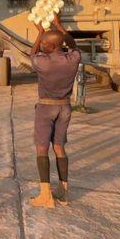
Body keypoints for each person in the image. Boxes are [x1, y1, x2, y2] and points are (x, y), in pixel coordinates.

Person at [29, 13, 80, 208]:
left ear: (50, 47)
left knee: (42, 149)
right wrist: (59, 26)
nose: (41, 45)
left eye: (44, 44)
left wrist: (40, 32)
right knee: (59, 147)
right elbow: (73, 46)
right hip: (65, 107)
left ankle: (45, 195)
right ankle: (63, 191)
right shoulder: (72, 59)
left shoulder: (43, 61)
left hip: (46, 107)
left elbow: (32, 55)